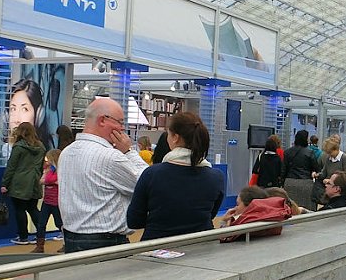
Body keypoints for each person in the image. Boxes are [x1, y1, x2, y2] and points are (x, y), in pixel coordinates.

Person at [59, 98, 149, 252]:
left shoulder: (66, 152)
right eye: (120, 122)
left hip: (71, 237)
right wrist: (129, 152)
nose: (122, 128)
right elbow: (148, 184)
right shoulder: (110, 157)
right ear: (102, 120)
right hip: (106, 241)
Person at [127, 112, 224, 241]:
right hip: (201, 245)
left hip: (157, 246)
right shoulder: (216, 177)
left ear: (175, 138)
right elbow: (210, 215)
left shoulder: (152, 174)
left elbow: (134, 221)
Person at [1, 122, 45, 245]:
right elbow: (41, 167)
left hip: (19, 183)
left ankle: (23, 237)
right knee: (33, 209)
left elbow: (11, 167)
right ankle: (41, 235)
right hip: (35, 182)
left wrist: (4, 183)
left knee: (20, 210)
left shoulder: (18, 147)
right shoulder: (41, 147)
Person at [5, 78, 52, 158]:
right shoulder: (5, 150)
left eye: (24, 109)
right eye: (13, 109)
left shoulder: (42, 152)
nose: (17, 120)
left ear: (39, 115)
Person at [281, 129, 319, 211]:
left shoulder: (287, 152)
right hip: (305, 183)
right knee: (306, 208)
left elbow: (283, 170)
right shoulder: (310, 152)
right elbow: (316, 168)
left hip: (290, 182)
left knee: (290, 209)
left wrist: (282, 183)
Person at [33, 148, 63, 253]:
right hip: (47, 201)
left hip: (57, 202)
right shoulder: (48, 169)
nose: (47, 161)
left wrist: (49, 181)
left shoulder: (62, 170)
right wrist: (51, 181)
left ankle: (66, 243)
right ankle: (39, 246)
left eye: (48, 158)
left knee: (59, 223)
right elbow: (41, 181)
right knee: (41, 224)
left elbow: (60, 182)